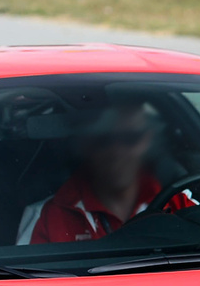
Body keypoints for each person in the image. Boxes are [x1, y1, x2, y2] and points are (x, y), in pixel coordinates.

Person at [27, 101, 187, 244]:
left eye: (130, 138)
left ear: (148, 140)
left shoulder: (179, 202)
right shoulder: (45, 216)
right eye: (103, 140)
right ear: (84, 145)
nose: (117, 152)